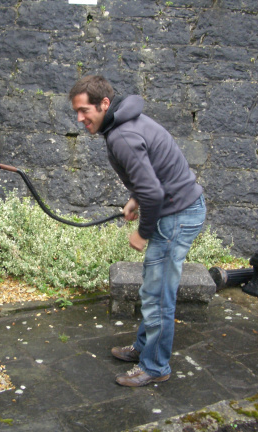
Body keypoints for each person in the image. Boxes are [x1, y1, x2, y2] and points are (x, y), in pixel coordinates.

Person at [69, 75, 206, 387]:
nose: (79, 118)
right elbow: (152, 173)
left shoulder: (122, 135)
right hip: (179, 208)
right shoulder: (125, 122)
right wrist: (135, 199)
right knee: (153, 287)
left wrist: (142, 234)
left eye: (84, 110)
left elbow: (154, 193)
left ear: (104, 104)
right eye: (76, 111)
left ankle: (155, 366)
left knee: (157, 294)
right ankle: (144, 347)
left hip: (177, 215)